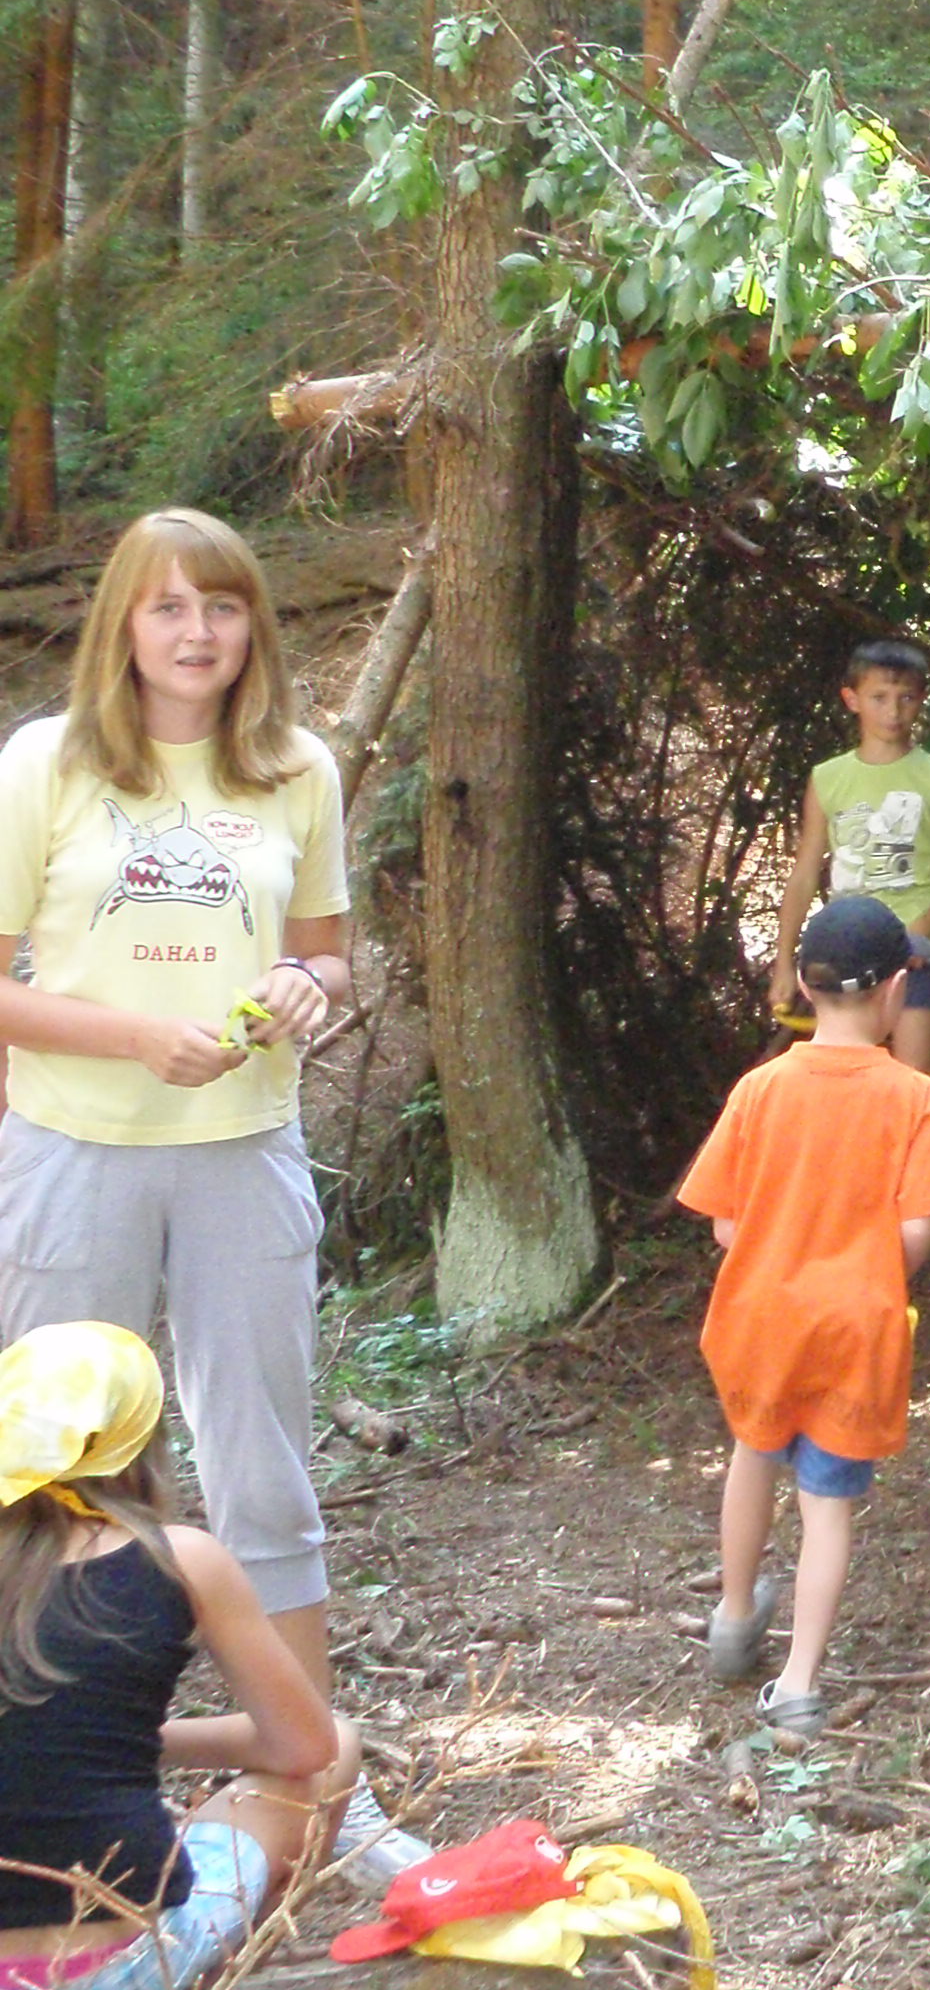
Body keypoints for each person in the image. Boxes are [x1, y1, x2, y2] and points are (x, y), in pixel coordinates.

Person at [0, 510, 412, 1878]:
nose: (197, 633)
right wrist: (133, 1037)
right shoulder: (44, 763)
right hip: (72, 1150)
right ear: (123, 623)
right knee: (52, 1478)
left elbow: (329, 958)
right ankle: (47, 1788)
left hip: (245, 1149)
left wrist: (305, 986)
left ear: (253, 629)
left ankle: (320, 1786)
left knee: (262, 1469)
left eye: (222, 608)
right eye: (169, 607)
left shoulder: (296, 769)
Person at [680, 897, 930, 1737]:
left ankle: (735, 1619)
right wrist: (865, 1268)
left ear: (806, 988)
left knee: (752, 1455)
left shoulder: (761, 1088)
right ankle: (799, 1685)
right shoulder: (913, 1097)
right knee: (827, 1506)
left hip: (759, 1319)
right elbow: (918, 1232)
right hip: (855, 1328)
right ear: (895, 991)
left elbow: (725, 1223)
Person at [0, 1320, 361, 1990]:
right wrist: (134, 1742)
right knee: (338, 1743)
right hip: (122, 1964)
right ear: (140, 1448)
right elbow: (305, 1747)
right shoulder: (178, 1560)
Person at [769, 638, 930, 1257]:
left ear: (921, 702)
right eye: (880, 697)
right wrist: (784, 962)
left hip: (914, 953)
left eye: (906, 698)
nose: (893, 711)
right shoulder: (829, 778)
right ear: (852, 699)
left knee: (913, 1080)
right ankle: (851, 1206)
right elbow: (805, 872)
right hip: (845, 948)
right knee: (839, 1079)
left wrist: (916, 936)